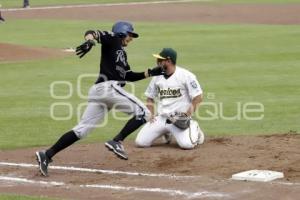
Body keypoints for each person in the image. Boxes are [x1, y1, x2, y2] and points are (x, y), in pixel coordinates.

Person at [35, 21, 163, 176]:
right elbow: (92, 32)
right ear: (122, 32)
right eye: (130, 35)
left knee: (81, 130)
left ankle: (47, 155)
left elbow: (128, 76)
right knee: (144, 112)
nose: (131, 38)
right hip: (107, 88)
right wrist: (89, 41)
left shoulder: (122, 53)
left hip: (101, 92)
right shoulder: (113, 38)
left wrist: (150, 72)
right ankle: (117, 140)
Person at [135, 48, 205, 149]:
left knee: (187, 145)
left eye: (160, 60)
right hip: (161, 118)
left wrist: (187, 115)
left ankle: (194, 127)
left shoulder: (186, 76)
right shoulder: (157, 77)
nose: (157, 62)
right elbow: (149, 98)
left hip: (178, 120)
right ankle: (167, 133)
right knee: (141, 142)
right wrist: (151, 114)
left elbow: (198, 97)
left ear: (169, 61)